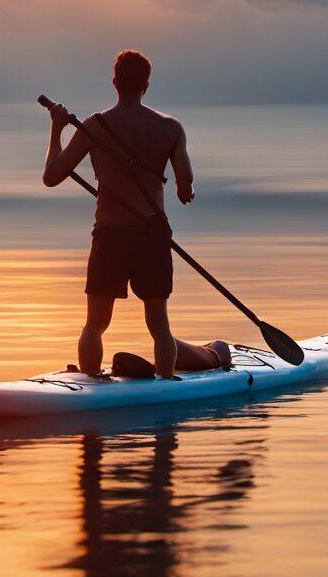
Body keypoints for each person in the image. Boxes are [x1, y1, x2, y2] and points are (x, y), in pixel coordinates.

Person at [44, 49, 207, 379]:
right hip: (152, 234)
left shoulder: (94, 126)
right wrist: (181, 189)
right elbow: (185, 186)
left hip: (110, 233)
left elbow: (51, 176)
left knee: (96, 323)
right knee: (158, 322)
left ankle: (91, 382)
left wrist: (57, 128)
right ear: (146, 84)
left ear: (115, 82)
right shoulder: (170, 128)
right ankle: (165, 384)